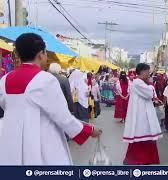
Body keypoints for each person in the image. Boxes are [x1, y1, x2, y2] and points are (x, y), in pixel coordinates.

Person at [0, 33, 102, 165]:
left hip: (11, 143)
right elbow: (62, 117)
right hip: (41, 143)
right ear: (41, 54)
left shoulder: (4, 80)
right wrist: (89, 130)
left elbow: (5, 107)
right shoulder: (46, 80)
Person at [123, 63, 162, 165]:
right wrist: (151, 85)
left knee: (146, 139)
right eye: (148, 72)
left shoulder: (140, 83)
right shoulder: (137, 83)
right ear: (142, 72)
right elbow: (150, 93)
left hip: (144, 115)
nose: (149, 74)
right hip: (141, 117)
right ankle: (138, 160)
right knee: (142, 139)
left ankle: (146, 160)